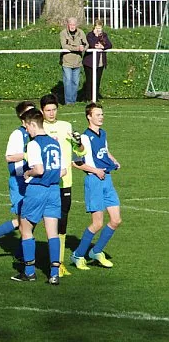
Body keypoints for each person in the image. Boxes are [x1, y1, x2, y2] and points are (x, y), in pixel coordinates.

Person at [11, 109, 66, 285]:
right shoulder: (55, 142)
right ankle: (54, 274)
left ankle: (29, 272)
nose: (26, 130)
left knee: (25, 229)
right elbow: (62, 170)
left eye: (27, 127)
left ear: (33, 124)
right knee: (52, 232)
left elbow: (39, 169)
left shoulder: (34, 144)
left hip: (37, 190)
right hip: (54, 190)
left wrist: (28, 172)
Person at [0, 101, 36, 256]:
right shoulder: (17, 134)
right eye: (29, 112)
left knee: (31, 219)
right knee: (24, 220)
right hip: (19, 181)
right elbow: (9, 157)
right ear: (22, 117)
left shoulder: (36, 133)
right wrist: (27, 155)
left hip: (33, 181)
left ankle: (21, 253)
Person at [71, 103, 122, 270]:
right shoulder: (84, 138)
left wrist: (114, 160)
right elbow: (76, 163)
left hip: (107, 179)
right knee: (97, 223)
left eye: (102, 114)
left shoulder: (103, 133)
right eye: (98, 114)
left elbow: (105, 152)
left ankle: (96, 251)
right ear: (89, 117)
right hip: (94, 180)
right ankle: (78, 255)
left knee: (116, 220)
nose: (101, 117)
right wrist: (95, 170)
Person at [40, 94, 85, 277]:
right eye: (48, 110)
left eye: (54, 109)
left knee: (62, 223)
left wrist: (78, 142)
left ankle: (59, 263)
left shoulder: (66, 126)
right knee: (37, 220)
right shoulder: (39, 127)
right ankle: (24, 253)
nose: (51, 113)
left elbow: (79, 152)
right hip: (45, 182)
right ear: (42, 111)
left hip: (65, 183)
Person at [59, 17, 88, 105]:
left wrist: (83, 48)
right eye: (70, 24)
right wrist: (77, 48)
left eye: (74, 24)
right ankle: (68, 102)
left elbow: (86, 44)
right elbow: (64, 46)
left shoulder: (81, 32)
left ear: (76, 25)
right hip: (67, 61)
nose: (72, 26)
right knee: (68, 81)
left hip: (78, 62)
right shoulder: (63, 33)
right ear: (67, 25)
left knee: (75, 82)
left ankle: (73, 101)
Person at [83, 20, 112, 102]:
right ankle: (88, 98)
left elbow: (109, 45)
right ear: (94, 28)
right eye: (97, 28)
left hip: (100, 62)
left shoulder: (104, 35)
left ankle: (95, 97)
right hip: (90, 62)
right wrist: (96, 36)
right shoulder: (89, 35)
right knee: (90, 81)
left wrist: (103, 46)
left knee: (97, 80)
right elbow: (92, 45)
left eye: (100, 28)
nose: (99, 30)